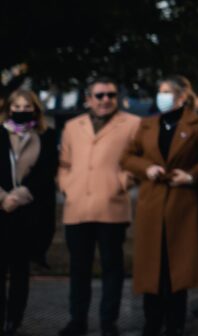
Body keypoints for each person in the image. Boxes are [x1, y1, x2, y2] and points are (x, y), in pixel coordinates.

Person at [120, 76, 198, 336]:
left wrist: (191, 176)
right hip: (152, 203)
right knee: (152, 268)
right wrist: (146, 168)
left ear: (181, 97)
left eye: (166, 92)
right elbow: (127, 157)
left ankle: (175, 324)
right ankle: (151, 322)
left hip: (182, 205)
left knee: (177, 269)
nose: (161, 97)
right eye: (159, 92)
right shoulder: (147, 125)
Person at [58, 77, 141, 336]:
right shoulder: (73, 126)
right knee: (79, 268)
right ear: (88, 99)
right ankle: (77, 320)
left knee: (112, 268)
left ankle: (108, 321)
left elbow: (139, 161)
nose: (106, 100)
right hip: (77, 207)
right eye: (100, 95)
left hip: (112, 207)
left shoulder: (133, 124)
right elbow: (65, 164)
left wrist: (121, 182)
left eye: (111, 95)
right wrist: (67, 186)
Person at [0, 89, 57, 336]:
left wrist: (19, 196)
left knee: (20, 271)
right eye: (17, 106)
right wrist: (3, 198)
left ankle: (14, 319)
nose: (21, 111)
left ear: (35, 108)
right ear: (8, 108)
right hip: (1, 209)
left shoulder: (46, 136)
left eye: (27, 106)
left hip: (27, 212)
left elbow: (47, 172)